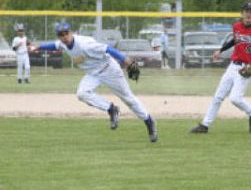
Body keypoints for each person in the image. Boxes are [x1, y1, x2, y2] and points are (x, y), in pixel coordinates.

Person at [29, 22, 157, 142]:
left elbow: (108, 49)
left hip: (109, 70)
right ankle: (111, 109)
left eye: (66, 33)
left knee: (129, 99)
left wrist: (125, 60)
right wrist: (38, 47)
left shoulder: (86, 44)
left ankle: (149, 122)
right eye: (61, 35)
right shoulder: (63, 43)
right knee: (82, 93)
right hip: (93, 74)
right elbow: (54, 45)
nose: (64, 37)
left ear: (71, 32)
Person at [190, 2, 251, 134]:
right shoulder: (237, 26)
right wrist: (221, 50)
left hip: (246, 69)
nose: (248, 14)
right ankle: (205, 125)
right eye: (246, 11)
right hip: (233, 66)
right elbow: (235, 40)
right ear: (242, 13)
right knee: (218, 96)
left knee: (235, 98)